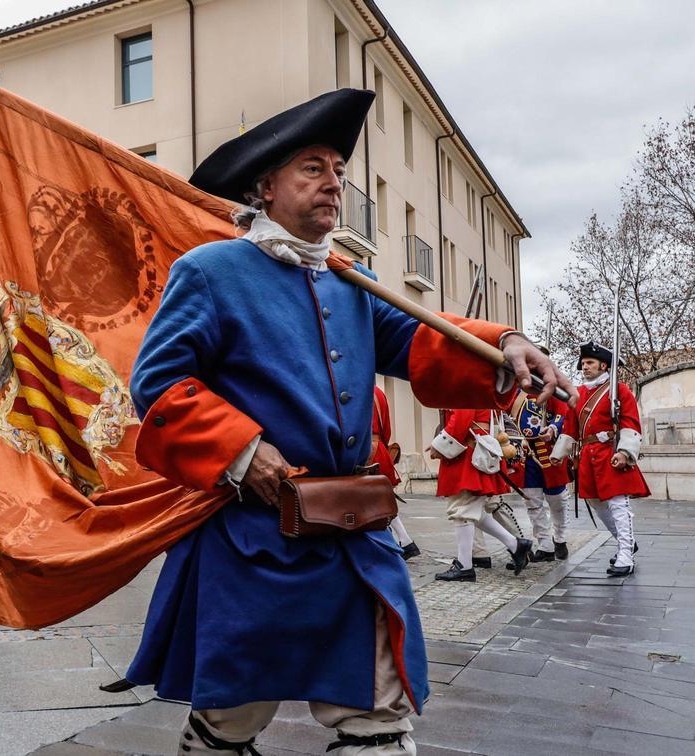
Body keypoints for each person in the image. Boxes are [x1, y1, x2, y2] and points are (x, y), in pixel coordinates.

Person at [125, 88, 572, 755]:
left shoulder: (350, 280)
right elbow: (157, 384)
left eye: (338, 169)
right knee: (230, 724)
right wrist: (244, 451)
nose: (334, 182)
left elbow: (424, 338)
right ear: (265, 186)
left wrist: (505, 342)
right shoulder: (210, 270)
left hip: (354, 539)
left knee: (378, 719)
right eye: (313, 167)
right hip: (254, 537)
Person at [551, 341, 649, 576]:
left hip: (610, 452)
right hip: (588, 456)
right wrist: (559, 453)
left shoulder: (619, 390)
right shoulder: (578, 393)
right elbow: (570, 427)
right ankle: (626, 542)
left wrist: (624, 452)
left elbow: (630, 422)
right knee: (596, 503)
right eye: (583, 363)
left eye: (590, 363)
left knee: (618, 504)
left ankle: (625, 555)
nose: (585, 367)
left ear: (604, 365)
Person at [430, 409, 533, 582]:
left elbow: (462, 417)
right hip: (472, 446)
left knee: (462, 509)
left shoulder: (466, 383)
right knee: (473, 512)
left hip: (467, 451)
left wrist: (439, 444)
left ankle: (465, 566)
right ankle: (515, 545)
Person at [508, 386, 571, 562]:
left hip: (550, 452)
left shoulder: (550, 389)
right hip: (525, 454)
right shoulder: (513, 392)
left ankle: (560, 538)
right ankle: (545, 544)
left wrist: (552, 428)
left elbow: (562, 412)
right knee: (532, 502)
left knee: (557, 500)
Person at [371, 386, 417, 560]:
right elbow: (386, 428)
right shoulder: (379, 393)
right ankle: (405, 542)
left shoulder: (355, 389)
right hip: (380, 449)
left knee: (370, 500)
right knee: (381, 500)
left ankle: (396, 543)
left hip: (365, 451)